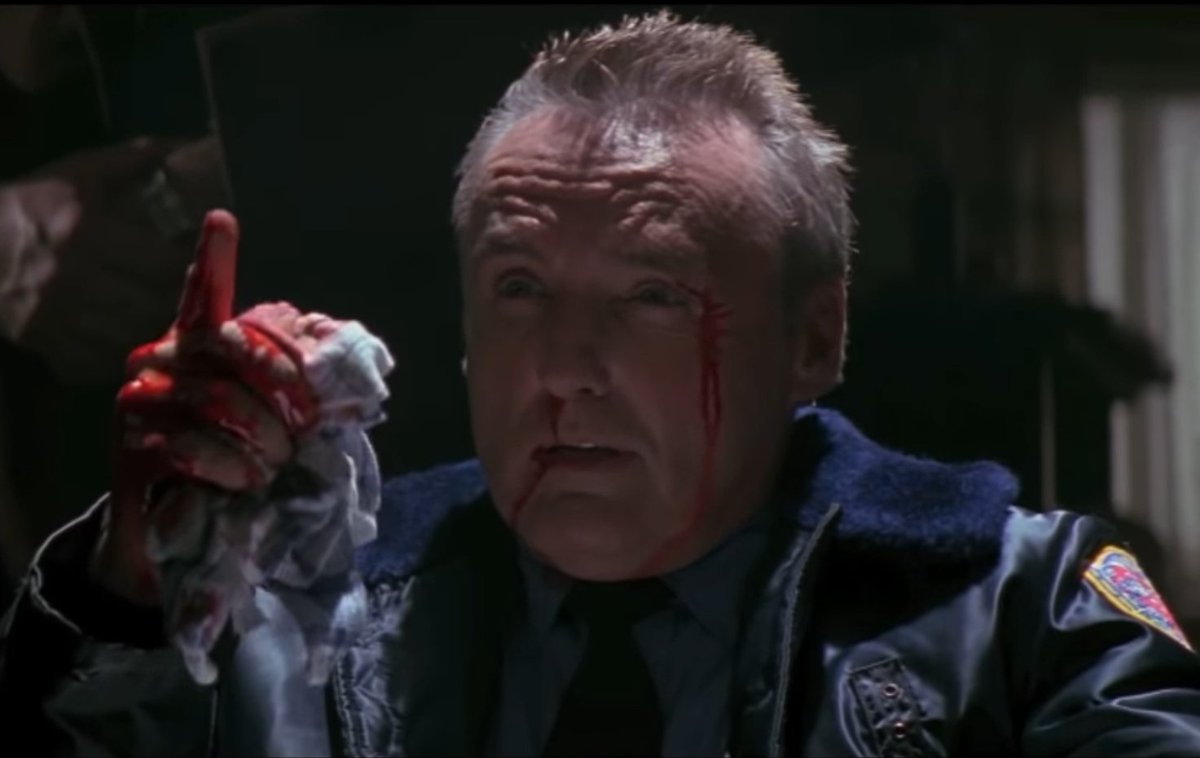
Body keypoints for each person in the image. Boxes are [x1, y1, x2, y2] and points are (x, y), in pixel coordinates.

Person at [2, 11, 1199, 756]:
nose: (564, 368)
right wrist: (133, 591)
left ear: (813, 339)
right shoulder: (292, 627)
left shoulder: (1023, 612)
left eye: (653, 295)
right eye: (519, 289)